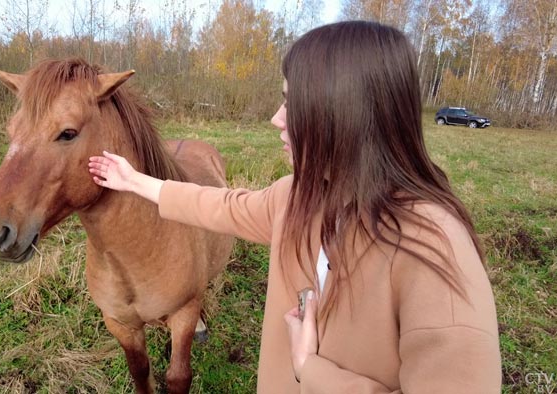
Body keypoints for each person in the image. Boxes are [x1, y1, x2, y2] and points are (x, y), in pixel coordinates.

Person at [89, 21, 501, 393]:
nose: (275, 118)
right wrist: (134, 181)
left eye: (292, 102)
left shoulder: (435, 250)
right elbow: (224, 206)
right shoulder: (300, 195)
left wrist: (310, 369)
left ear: (345, 114)